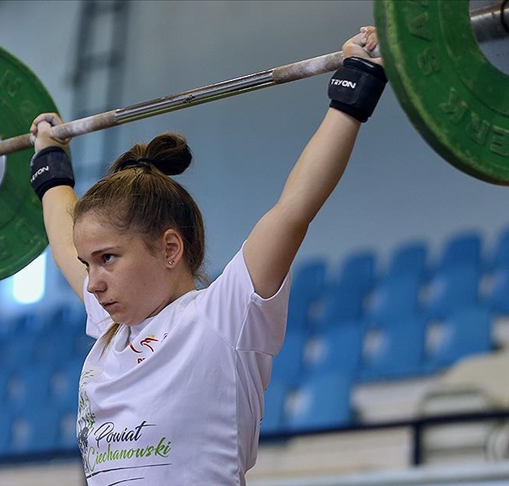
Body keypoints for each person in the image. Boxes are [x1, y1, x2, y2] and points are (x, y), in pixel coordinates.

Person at [28, 26, 387, 486]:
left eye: (108, 258)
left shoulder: (223, 315)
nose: (93, 282)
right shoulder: (111, 324)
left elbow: (294, 210)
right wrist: (50, 161)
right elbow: (63, 237)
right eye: (88, 265)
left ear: (169, 248)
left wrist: (355, 86)